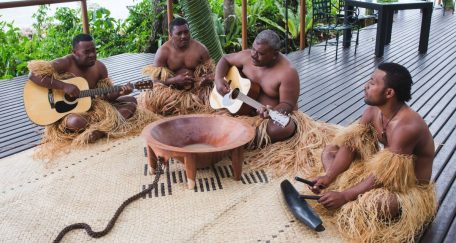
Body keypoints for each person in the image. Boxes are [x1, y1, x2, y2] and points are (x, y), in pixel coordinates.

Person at [308, 63, 436, 242]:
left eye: (372, 83)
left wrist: (345, 196)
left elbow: (385, 174)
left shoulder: (406, 127)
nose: (365, 86)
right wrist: (329, 176)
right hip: (381, 172)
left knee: (378, 204)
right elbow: (350, 146)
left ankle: (344, 195)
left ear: (389, 93)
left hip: (407, 187)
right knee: (329, 151)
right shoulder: (372, 111)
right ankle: (336, 187)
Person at [214, 29, 336, 176]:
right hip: (243, 110)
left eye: (261, 53)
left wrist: (273, 111)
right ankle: (243, 139)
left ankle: (242, 139)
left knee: (283, 127)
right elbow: (225, 59)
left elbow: (288, 104)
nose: (254, 54)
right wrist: (219, 79)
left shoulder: (287, 72)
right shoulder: (247, 56)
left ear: (274, 55)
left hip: (269, 117)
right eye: (253, 49)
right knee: (214, 107)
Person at [28, 34, 158, 159]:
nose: (92, 55)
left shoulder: (100, 67)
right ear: (74, 52)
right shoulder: (64, 63)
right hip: (67, 112)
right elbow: (33, 74)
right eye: (87, 52)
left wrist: (121, 92)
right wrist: (63, 86)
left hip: (92, 105)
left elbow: (105, 97)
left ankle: (100, 131)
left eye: (94, 51)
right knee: (75, 122)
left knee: (131, 101)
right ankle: (108, 125)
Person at [138, 17, 215, 116]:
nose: (183, 36)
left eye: (186, 32)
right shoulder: (163, 52)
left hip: (197, 91)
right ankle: (184, 107)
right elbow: (155, 82)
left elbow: (212, 74)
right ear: (171, 35)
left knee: (214, 97)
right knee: (152, 99)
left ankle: (192, 106)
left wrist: (204, 79)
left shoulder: (200, 49)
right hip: (173, 91)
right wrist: (174, 80)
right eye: (179, 33)